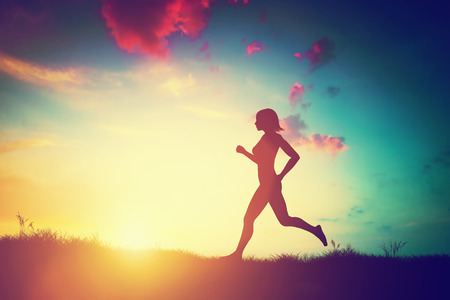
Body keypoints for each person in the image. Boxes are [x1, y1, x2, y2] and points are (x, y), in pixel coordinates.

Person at [224, 108, 327, 259]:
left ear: (266, 121)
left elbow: (295, 157)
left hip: (269, 185)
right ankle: (315, 230)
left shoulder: (275, 138)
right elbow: (261, 162)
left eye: (258, 120)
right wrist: (245, 153)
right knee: (284, 220)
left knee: (249, 218)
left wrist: (281, 176)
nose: (255, 123)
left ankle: (237, 254)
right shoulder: (266, 138)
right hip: (267, 185)